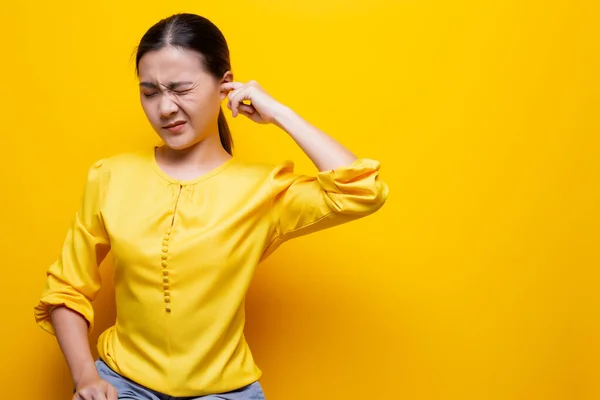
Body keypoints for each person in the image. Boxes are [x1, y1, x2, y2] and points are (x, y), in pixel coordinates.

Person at [34, 12, 389, 400]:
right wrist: (87, 378)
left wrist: (281, 114)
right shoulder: (110, 176)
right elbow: (67, 289)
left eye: (181, 89)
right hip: (122, 384)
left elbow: (361, 191)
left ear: (225, 86)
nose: (165, 108)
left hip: (224, 392)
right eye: (150, 92)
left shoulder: (263, 191)